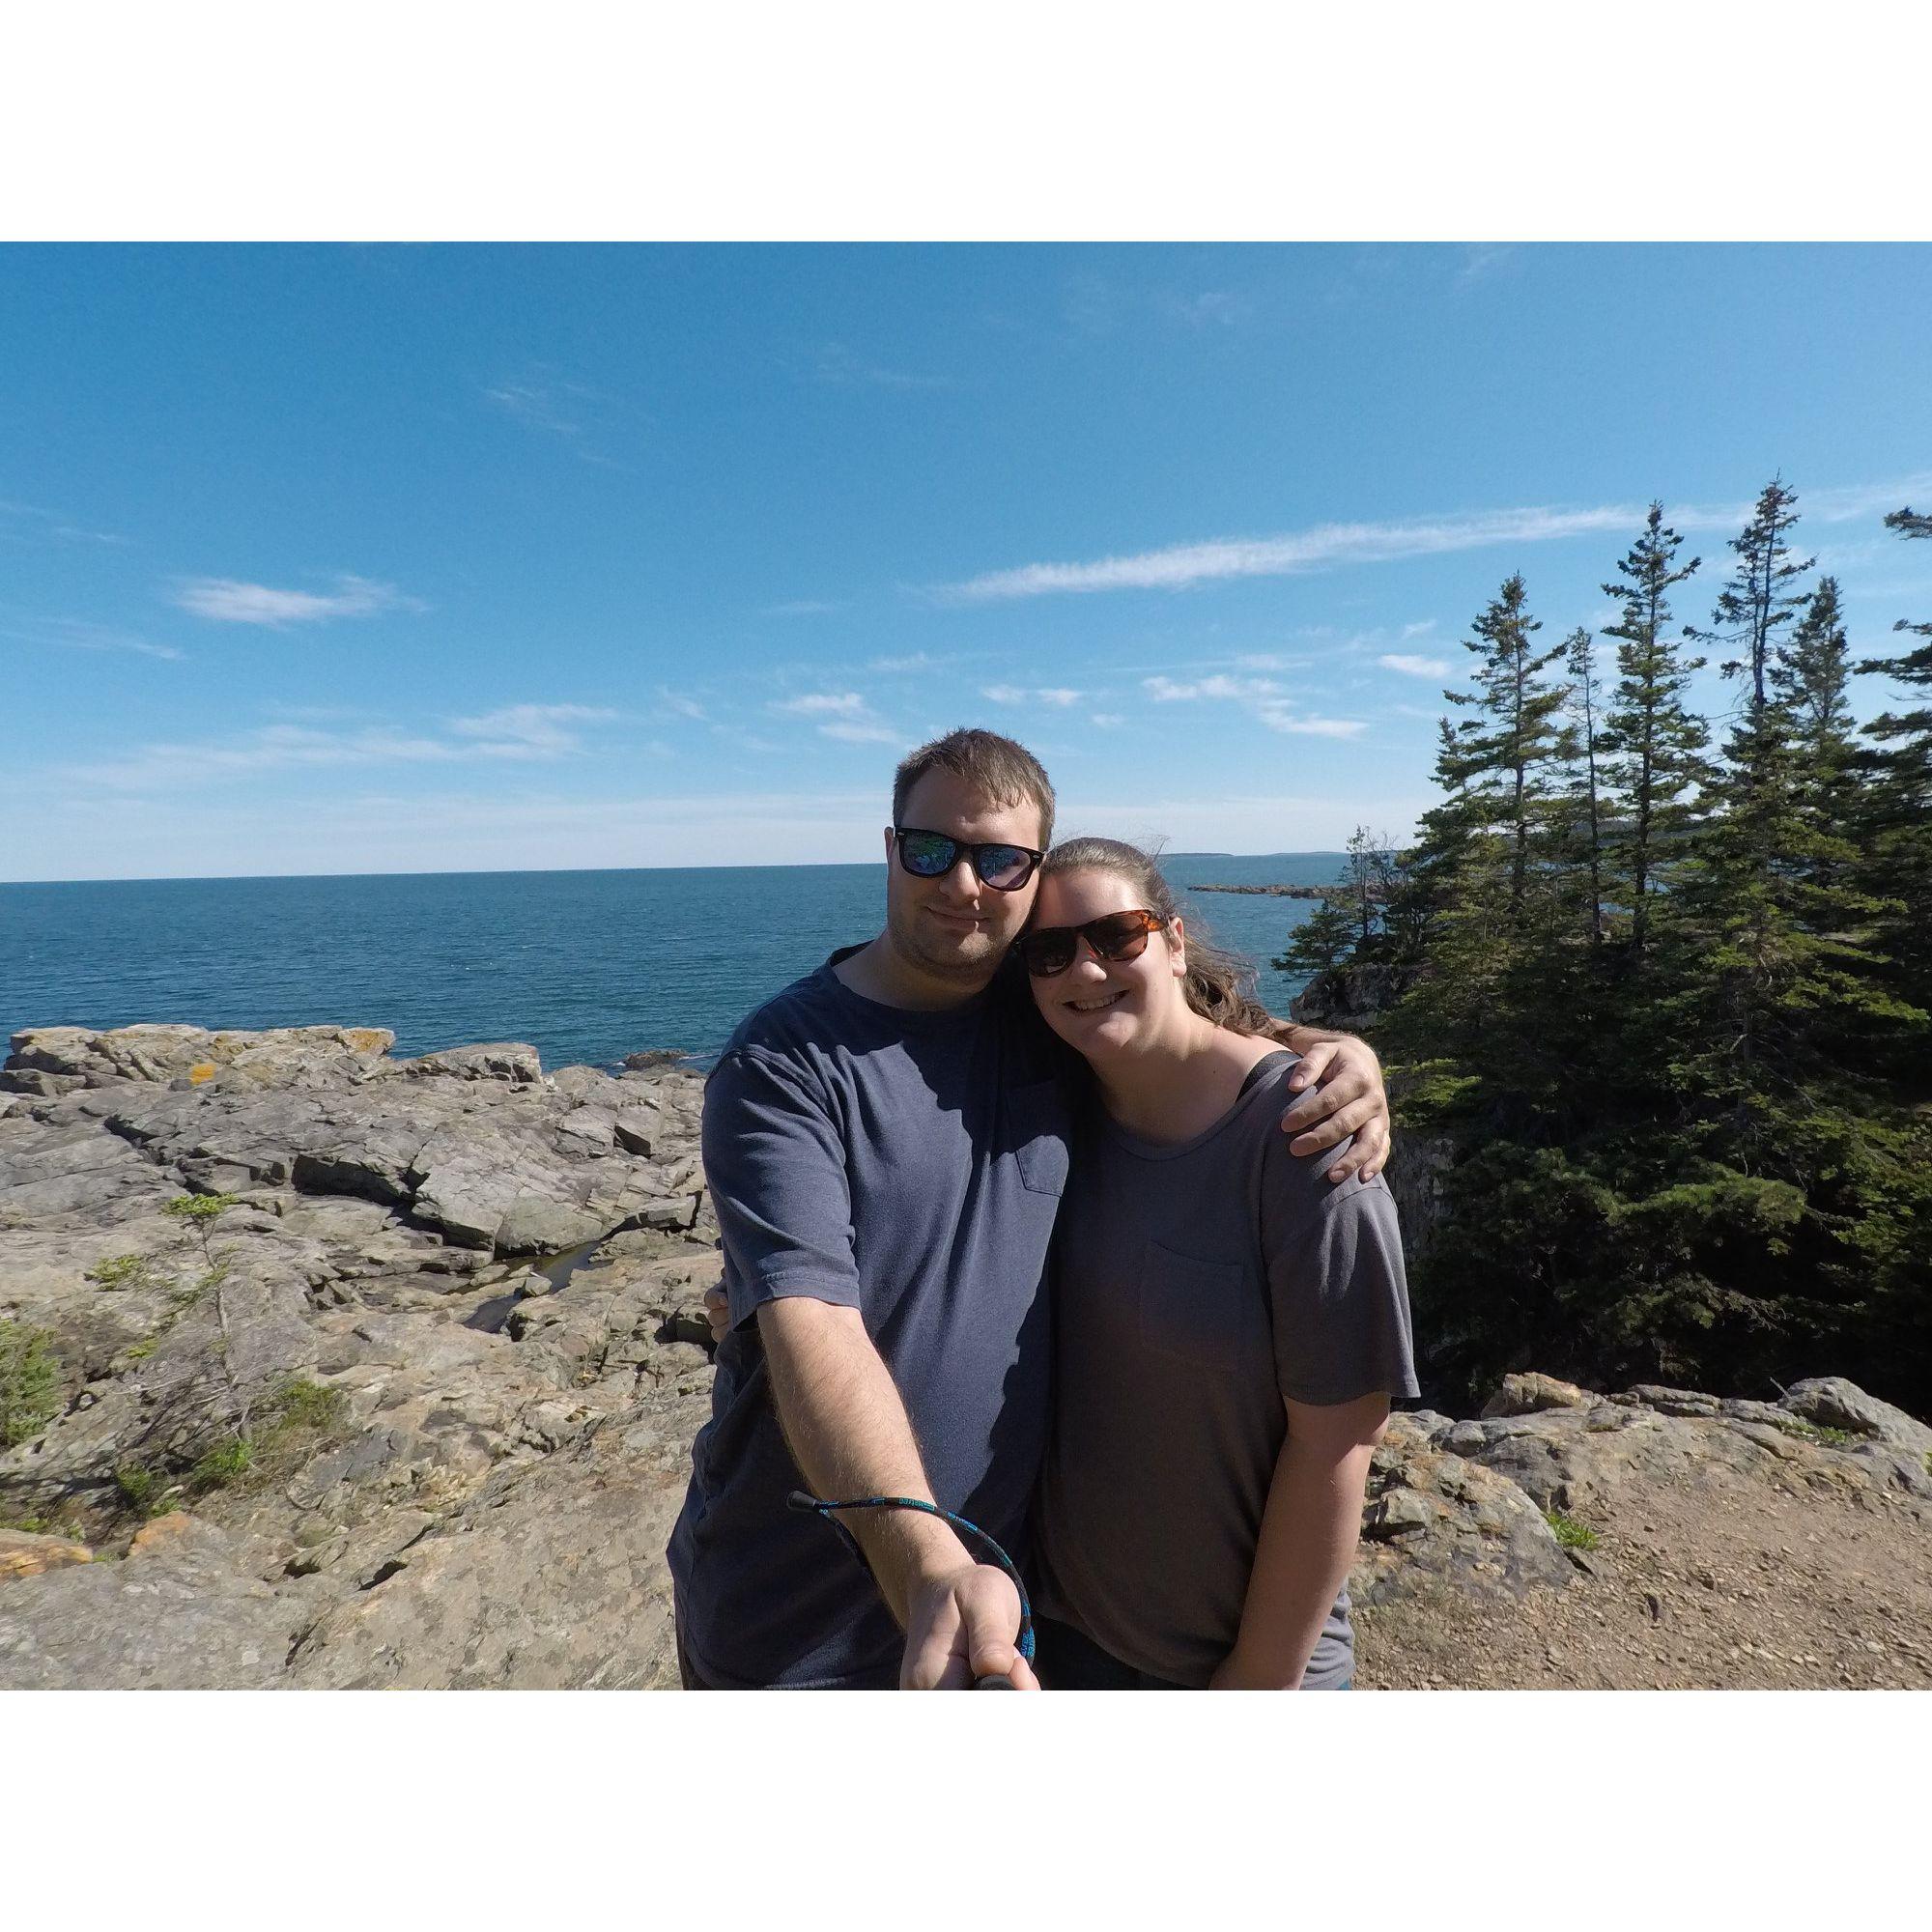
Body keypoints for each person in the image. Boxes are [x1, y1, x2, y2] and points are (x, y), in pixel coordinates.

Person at [667, 728, 1392, 1690]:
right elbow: (813, 1328)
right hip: (800, 1611)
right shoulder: (784, 1064)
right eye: (932, 848)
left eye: (1001, 860)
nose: (964, 884)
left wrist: (1326, 1049)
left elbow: (1177, 1031)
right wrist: (926, 1560)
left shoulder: (1046, 1005)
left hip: (1015, 1603)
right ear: (889, 847)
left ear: (1031, 871)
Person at [1020, 837, 1419, 1690]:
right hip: (1060, 1634)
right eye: (1049, 952)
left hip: (1241, 1663)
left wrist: (1257, 1683)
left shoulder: (1306, 1143)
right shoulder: (1054, 1104)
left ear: (1171, 941)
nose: (1084, 972)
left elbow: (1337, 1446)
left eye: (1116, 936)